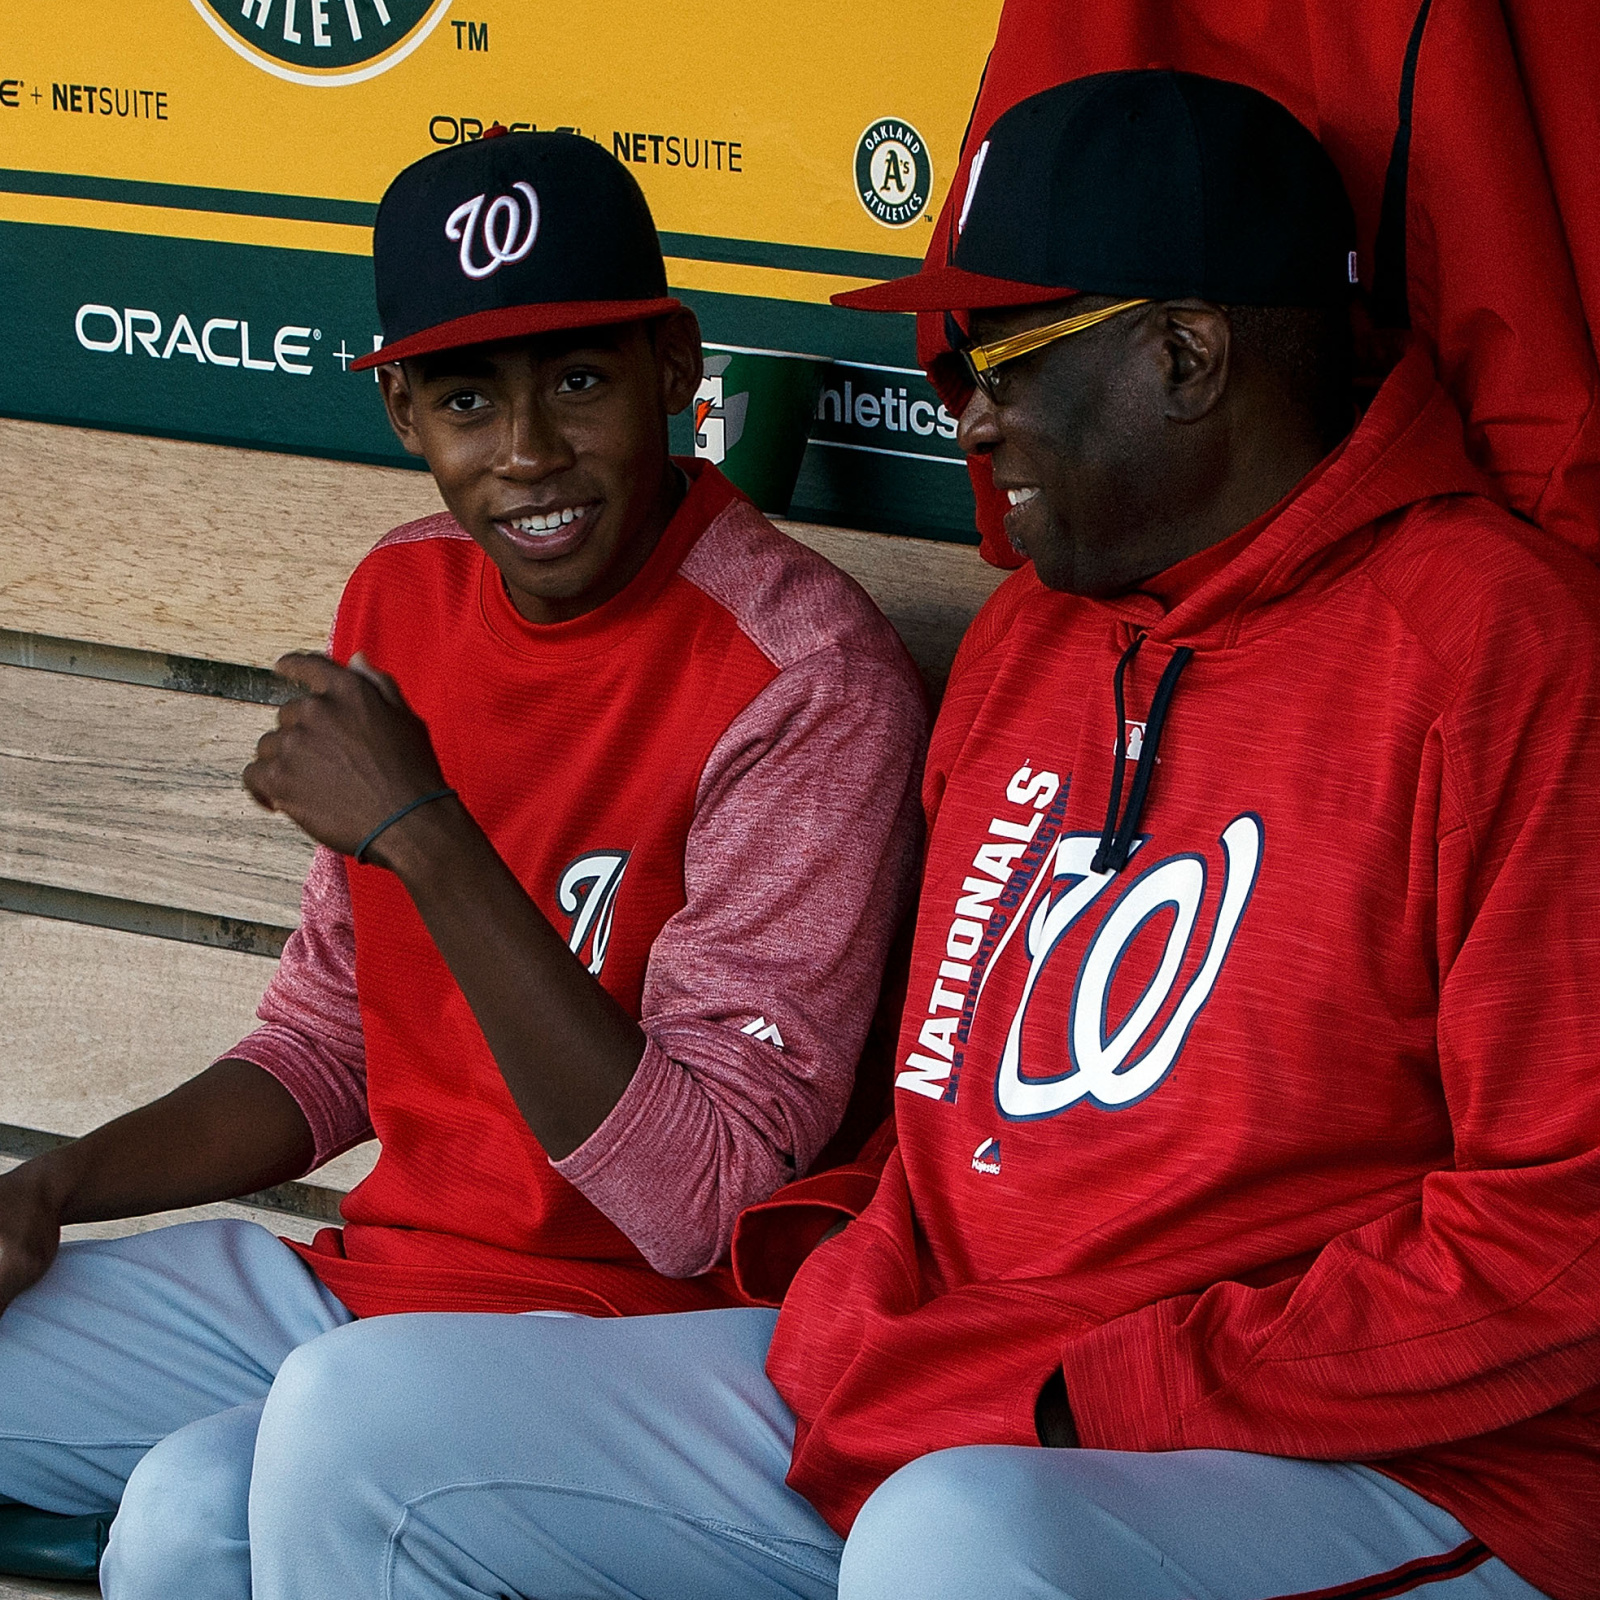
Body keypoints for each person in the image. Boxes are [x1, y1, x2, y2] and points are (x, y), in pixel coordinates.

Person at [235, 72, 1599, 1600]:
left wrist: (1101, 1392)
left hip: (1377, 1458)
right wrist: (864, 1308)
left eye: (998, 355)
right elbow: (940, 1105)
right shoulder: (1034, 642)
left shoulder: (1501, 653)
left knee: (957, 1545)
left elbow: (1561, 1240)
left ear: (1188, 352)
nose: (968, 410)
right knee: (363, 1431)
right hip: (976, 1379)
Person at [0, 129, 927, 1594]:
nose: (530, 454)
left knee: (201, 1506)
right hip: (371, 1304)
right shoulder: (402, 596)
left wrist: (423, 835)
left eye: (577, 379)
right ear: (400, 412)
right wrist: (51, 1189)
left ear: (674, 367)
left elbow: (701, 1198)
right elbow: (328, 1047)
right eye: (467, 398)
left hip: (638, 1354)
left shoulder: (800, 677)